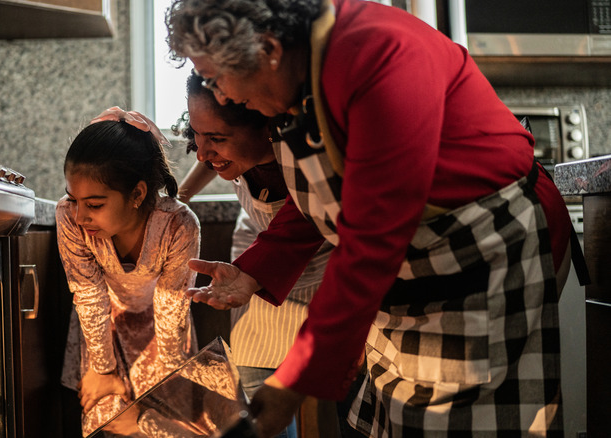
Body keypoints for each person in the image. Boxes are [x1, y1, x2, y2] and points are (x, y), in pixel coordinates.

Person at [165, 0, 580, 437]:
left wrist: (288, 386)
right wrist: (253, 273)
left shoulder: (381, 58)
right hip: (414, 275)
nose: (223, 96)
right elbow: (326, 196)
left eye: (217, 79)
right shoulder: (294, 84)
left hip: (482, 261)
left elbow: (372, 240)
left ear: (268, 48)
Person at [176, 71, 336, 438]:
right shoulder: (227, 151)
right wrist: (181, 196)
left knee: (318, 388)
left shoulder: (302, 156)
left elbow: (306, 223)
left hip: (319, 267)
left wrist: (253, 273)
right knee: (252, 371)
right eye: (197, 135)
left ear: (265, 122)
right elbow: (208, 156)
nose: (202, 152)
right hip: (253, 258)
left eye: (215, 138)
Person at [57, 111, 200, 436]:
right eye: (73, 199)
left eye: (94, 205)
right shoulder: (69, 217)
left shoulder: (178, 225)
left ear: (136, 194)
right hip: (102, 327)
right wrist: (104, 371)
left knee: (162, 421)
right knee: (109, 419)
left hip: (163, 331)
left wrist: (155, 406)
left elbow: (171, 313)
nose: (80, 216)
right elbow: (89, 295)